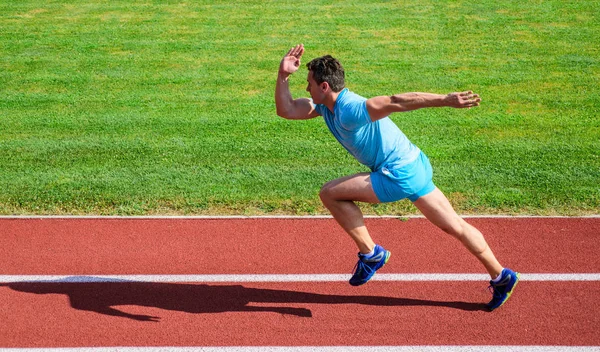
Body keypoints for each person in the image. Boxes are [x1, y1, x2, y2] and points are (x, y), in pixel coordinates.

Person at [274, 44, 519, 311]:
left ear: (324, 87)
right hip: (415, 165)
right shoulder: (325, 109)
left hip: (398, 174)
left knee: (330, 193)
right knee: (455, 227)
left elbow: (395, 101)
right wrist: (283, 75)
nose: (305, 89)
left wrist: (445, 100)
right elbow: (285, 109)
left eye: (309, 84)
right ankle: (501, 276)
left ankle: (371, 254)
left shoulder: (350, 109)